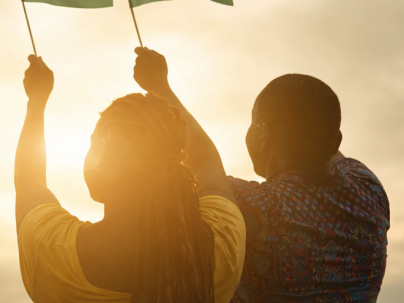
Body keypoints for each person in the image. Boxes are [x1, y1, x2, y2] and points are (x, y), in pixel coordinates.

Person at [134, 48, 390, 302]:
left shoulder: (250, 206)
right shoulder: (370, 191)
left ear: (263, 134)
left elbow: (201, 161)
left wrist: (159, 86)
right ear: (335, 141)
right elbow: (326, 140)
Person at [15, 52, 246, 303]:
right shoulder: (220, 249)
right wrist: (160, 86)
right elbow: (204, 160)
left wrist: (37, 100)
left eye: (92, 143)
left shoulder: (53, 252)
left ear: (107, 146)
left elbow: (29, 181)